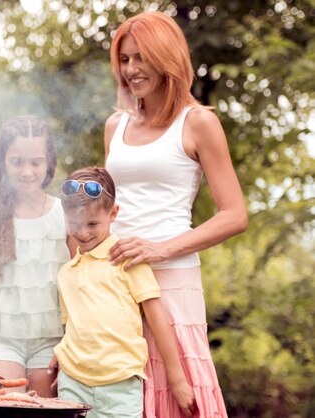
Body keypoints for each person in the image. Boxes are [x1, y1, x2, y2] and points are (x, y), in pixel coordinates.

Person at [104, 11, 248, 417]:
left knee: (178, 393)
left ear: (167, 57)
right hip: (117, 280)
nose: (131, 69)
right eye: (125, 59)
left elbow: (234, 214)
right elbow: (106, 209)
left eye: (141, 58)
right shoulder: (115, 126)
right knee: (125, 394)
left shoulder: (198, 122)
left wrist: (160, 249)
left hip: (172, 280)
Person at [52, 166, 196, 418]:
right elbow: (71, 327)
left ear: (113, 213)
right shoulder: (66, 272)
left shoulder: (127, 259)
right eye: (75, 223)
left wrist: (177, 379)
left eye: (93, 223)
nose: (83, 232)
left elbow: (157, 319)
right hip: (72, 384)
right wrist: (61, 359)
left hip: (120, 386)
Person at [0, 115, 74, 397]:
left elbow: (80, 288)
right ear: (3, 162)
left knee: (42, 414)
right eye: (17, 162)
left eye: (36, 162)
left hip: (52, 342)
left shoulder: (65, 216)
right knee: (6, 406)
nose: (27, 171)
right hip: (2, 340)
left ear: (49, 162)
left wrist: (73, 346)